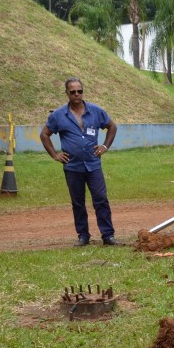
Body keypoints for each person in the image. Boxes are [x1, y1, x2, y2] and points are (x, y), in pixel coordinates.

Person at [40, 77, 118, 247]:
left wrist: (105, 145)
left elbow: (112, 126)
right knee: (78, 202)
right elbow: (44, 134)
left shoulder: (96, 111)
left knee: (101, 199)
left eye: (79, 91)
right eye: (73, 91)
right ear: (67, 93)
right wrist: (55, 154)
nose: (77, 94)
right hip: (72, 166)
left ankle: (108, 235)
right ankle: (83, 236)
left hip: (93, 164)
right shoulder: (58, 115)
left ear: (83, 92)